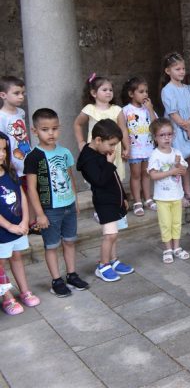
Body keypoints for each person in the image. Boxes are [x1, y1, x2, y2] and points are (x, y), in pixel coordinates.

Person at [24, 108, 89, 297]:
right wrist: (40, 214)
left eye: (54, 128)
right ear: (35, 131)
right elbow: (31, 189)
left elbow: (70, 177)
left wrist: (75, 201)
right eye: (45, 129)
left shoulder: (65, 152)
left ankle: (72, 275)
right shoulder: (33, 157)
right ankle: (56, 280)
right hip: (50, 210)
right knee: (51, 245)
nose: (51, 133)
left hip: (68, 205)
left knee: (69, 241)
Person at [77, 119, 134, 282]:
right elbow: (100, 181)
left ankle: (113, 260)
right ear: (98, 140)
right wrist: (109, 163)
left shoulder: (101, 151)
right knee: (110, 234)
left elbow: (114, 178)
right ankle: (103, 266)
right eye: (111, 144)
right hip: (104, 202)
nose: (113, 148)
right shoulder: (88, 159)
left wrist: (123, 197)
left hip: (115, 199)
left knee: (115, 233)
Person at [0, 131, 39, 315]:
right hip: (3, 230)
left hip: (18, 226)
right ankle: (7, 298)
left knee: (17, 257)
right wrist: (9, 226)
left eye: (4, 150)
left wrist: (25, 221)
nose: (2, 154)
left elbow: (21, 196)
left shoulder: (10, 171)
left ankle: (24, 291)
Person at [160, 52, 190, 208]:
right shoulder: (167, 90)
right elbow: (173, 113)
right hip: (176, 130)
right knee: (177, 163)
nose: (181, 72)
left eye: (183, 68)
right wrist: (186, 128)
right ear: (168, 71)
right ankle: (177, 194)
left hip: (189, 127)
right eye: (177, 69)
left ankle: (188, 191)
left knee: (187, 163)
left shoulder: (188, 88)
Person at [147, 117, 190, 264]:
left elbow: (184, 171)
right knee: (165, 224)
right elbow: (153, 175)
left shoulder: (176, 152)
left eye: (169, 134)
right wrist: (171, 171)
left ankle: (176, 247)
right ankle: (167, 249)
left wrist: (178, 165)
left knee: (177, 223)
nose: (166, 138)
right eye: (162, 135)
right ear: (155, 137)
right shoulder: (155, 155)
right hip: (162, 197)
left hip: (177, 195)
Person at [74, 74, 127, 180]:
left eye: (110, 90)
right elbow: (77, 124)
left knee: (113, 175)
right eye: (104, 90)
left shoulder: (117, 110)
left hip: (113, 148)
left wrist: (127, 147)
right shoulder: (89, 109)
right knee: (97, 175)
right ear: (94, 93)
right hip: (95, 148)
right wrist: (80, 142)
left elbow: (123, 130)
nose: (108, 92)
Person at [121, 76, 157, 216]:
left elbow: (155, 126)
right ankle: (137, 201)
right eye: (141, 92)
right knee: (136, 175)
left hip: (148, 148)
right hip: (134, 149)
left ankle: (148, 199)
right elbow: (123, 130)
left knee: (146, 174)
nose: (145, 94)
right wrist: (125, 147)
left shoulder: (148, 109)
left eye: (146, 91)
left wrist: (150, 109)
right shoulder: (126, 110)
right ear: (131, 94)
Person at [0, 76, 32, 180]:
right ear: (3, 95)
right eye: (16, 93)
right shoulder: (1, 117)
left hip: (26, 159)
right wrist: (7, 162)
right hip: (11, 165)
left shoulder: (21, 112)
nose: (21, 96)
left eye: (23, 93)